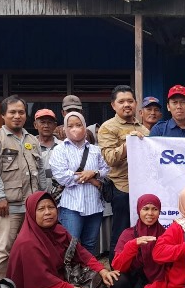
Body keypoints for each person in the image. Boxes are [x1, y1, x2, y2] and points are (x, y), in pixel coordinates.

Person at [0, 95, 47, 278]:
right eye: (12, 112)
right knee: (3, 251)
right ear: (3, 115)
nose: (17, 116)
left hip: (31, 207)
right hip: (7, 207)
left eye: (21, 112)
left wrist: (43, 198)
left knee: (31, 249)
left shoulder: (32, 140)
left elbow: (40, 171)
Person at [98, 85, 149, 255]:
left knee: (141, 230)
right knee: (121, 232)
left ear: (136, 104)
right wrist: (128, 144)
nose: (126, 104)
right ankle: (117, 270)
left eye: (130, 101)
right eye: (121, 101)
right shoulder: (107, 127)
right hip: (122, 189)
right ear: (113, 105)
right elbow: (110, 158)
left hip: (143, 188)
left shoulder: (144, 129)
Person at [50, 112, 110, 254]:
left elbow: (107, 169)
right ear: (64, 129)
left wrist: (95, 172)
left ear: (85, 127)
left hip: (94, 205)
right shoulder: (59, 150)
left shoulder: (96, 150)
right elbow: (62, 176)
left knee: (90, 245)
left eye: (78, 125)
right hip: (71, 206)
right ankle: (70, 276)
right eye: (70, 126)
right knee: (71, 245)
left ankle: (88, 275)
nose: (75, 129)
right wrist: (90, 177)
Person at [110, 194, 167, 288]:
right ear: (138, 210)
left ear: (159, 211)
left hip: (153, 283)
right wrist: (133, 245)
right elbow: (117, 265)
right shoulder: (128, 234)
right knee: (117, 280)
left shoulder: (165, 236)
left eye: (154, 209)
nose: (150, 213)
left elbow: (168, 273)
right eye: (145, 208)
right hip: (130, 280)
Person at [34, 109, 62, 179]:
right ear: (35, 125)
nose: (46, 125)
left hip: (60, 189)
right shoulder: (30, 146)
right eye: (42, 122)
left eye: (49, 122)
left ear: (55, 125)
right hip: (36, 189)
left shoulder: (62, 146)